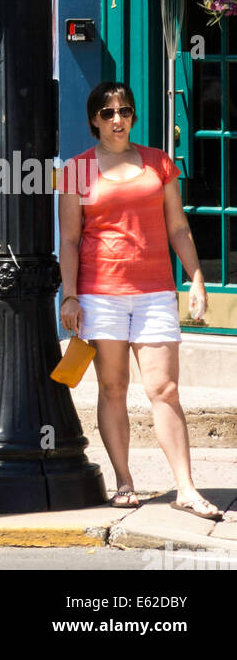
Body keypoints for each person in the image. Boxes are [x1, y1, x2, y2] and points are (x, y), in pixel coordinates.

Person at [59, 79, 236, 521]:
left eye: (124, 111)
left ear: (133, 115)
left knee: (165, 389)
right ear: (94, 120)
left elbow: (178, 227)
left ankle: (186, 489)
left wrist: (196, 278)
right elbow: (70, 239)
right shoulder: (77, 170)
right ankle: (124, 482)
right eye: (108, 113)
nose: (117, 119)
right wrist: (70, 296)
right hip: (100, 294)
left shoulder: (159, 162)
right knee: (113, 388)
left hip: (155, 292)